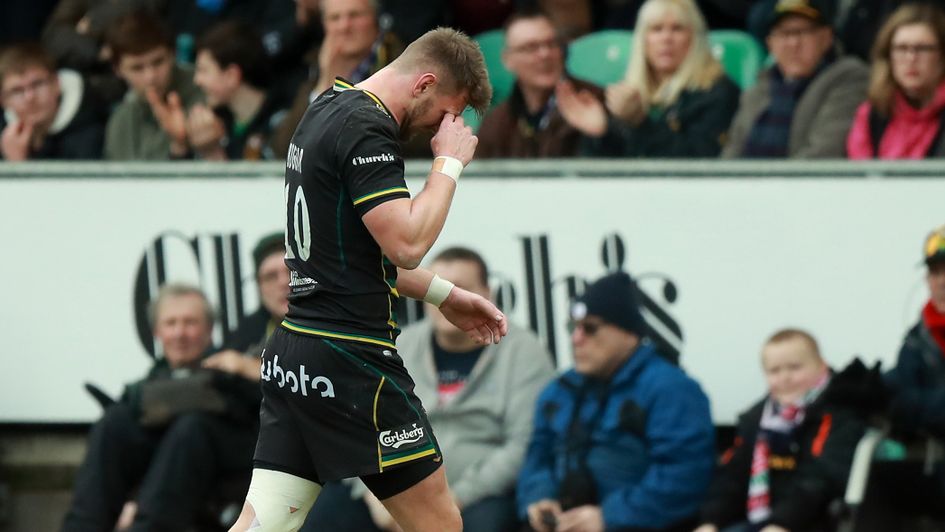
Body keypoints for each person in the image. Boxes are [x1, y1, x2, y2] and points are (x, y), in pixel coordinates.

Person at [227, 27, 502, 532]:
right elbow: (406, 243)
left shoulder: (326, 106)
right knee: (441, 525)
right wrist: (449, 165)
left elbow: (357, 257)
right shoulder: (366, 126)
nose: (445, 126)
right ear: (423, 83)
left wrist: (446, 295)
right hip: (352, 358)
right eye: (447, 111)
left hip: (297, 352)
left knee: (261, 525)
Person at [302, 246, 556, 532]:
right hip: (391, 489)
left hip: (477, 496)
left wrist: (451, 501)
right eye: (438, 288)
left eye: (459, 288)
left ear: (487, 294)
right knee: (326, 515)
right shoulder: (398, 344)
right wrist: (376, 495)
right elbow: (353, 428)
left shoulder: (523, 352)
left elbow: (522, 445)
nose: (447, 299)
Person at [517, 271, 715, 532]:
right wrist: (538, 499)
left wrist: (609, 517)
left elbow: (685, 475)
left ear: (629, 333)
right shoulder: (559, 390)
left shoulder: (671, 390)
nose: (576, 338)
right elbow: (537, 456)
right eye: (573, 328)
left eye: (590, 328)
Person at [61, 284, 262, 532]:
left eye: (190, 322)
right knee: (113, 423)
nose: (180, 333)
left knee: (191, 427)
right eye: (171, 323)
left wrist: (137, 400)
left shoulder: (230, 365)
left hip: (232, 469)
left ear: (209, 329)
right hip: (166, 483)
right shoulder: (155, 377)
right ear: (157, 332)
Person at [695, 329, 870, 532]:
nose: (785, 377)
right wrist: (710, 521)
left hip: (814, 522)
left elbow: (822, 479)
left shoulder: (839, 413)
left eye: (795, 367)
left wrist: (781, 523)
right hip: (760, 519)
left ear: (822, 366)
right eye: (774, 371)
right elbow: (733, 477)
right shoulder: (756, 418)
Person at [557, 0, 740, 158]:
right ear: (642, 40)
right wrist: (602, 132)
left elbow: (698, 163)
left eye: (677, 29)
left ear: (695, 38)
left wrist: (641, 123)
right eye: (656, 29)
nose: (666, 38)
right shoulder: (627, 91)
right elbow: (605, 172)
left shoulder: (718, 91)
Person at [722, 0, 868, 158]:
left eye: (803, 32)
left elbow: (824, 153)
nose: (793, 43)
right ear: (770, 43)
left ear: (826, 37)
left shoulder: (849, 78)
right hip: (746, 181)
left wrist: (772, 182)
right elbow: (732, 150)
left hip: (806, 182)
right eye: (784, 33)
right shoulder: (760, 85)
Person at [270, 0, 405, 159]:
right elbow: (284, 148)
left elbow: (419, 141)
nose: (344, 27)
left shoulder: (403, 64)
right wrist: (326, 85)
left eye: (355, 15)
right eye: (334, 18)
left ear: (376, 19)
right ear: (324, 25)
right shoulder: (314, 68)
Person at [476, 8, 601, 159]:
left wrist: (600, 136)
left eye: (551, 44)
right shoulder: (496, 124)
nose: (544, 54)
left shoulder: (593, 101)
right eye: (531, 47)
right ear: (508, 60)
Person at [847, 4, 945, 159]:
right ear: (888, 56)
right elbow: (861, 176)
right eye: (901, 48)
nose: (911, 58)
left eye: (922, 49)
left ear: (941, 56)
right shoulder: (871, 115)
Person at [103, 10, 204, 160]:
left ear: (173, 55)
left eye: (158, 62)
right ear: (118, 70)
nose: (151, 76)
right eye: (137, 68)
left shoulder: (206, 90)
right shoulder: (120, 121)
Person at [190, 20, 283, 160]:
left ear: (231, 75)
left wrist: (214, 152)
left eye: (203, 70)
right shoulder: (217, 125)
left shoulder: (281, 122)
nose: (197, 80)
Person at [0, 42, 105, 160]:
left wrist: (16, 164)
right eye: (17, 91)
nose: (30, 97)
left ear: (57, 84)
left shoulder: (91, 136)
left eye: (38, 84)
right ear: (3, 100)